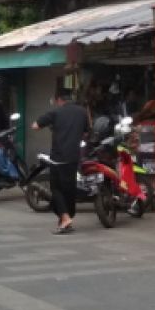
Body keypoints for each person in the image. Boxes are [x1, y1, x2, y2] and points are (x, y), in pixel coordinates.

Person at [32, 88, 90, 235]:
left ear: (59, 100)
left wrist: (52, 126)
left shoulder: (56, 113)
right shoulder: (82, 112)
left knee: (56, 189)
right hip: (74, 157)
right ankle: (67, 219)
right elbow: (86, 132)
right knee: (69, 189)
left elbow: (36, 126)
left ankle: (65, 218)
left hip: (58, 158)